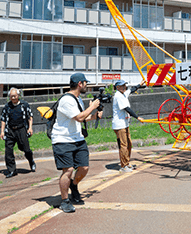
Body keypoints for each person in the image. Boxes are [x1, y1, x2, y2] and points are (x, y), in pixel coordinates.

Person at [51, 73, 103, 213]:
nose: (87, 85)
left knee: (84, 167)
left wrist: (94, 116)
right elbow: (79, 117)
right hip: (63, 140)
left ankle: (73, 185)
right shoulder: (66, 100)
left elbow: (82, 118)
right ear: (80, 84)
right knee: (67, 171)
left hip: (77, 139)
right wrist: (92, 107)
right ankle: (65, 201)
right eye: (86, 83)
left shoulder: (78, 99)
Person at [0, 88, 36, 178]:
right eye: (11, 96)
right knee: (8, 151)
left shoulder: (24, 105)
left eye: (14, 96)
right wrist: (2, 131)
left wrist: (30, 128)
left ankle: (31, 161)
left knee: (26, 149)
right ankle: (12, 170)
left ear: (18, 96)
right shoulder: (7, 107)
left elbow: (30, 116)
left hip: (21, 129)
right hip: (10, 131)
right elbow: (3, 119)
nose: (13, 98)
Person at [112, 79, 145, 173]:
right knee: (123, 145)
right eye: (122, 86)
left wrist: (140, 84)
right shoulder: (118, 96)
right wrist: (137, 117)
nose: (124, 87)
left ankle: (127, 163)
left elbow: (132, 90)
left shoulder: (123, 94)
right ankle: (124, 166)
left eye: (125, 85)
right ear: (117, 87)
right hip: (119, 125)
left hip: (125, 124)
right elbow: (127, 109)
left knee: (129, 144)